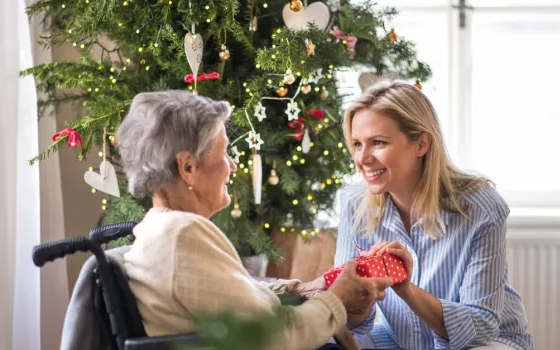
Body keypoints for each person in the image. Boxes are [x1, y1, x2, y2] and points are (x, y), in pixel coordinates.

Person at [115, 90, 393, 350]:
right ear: (187, 167)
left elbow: (234, 295)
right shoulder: (182, 233)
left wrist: (305, 289)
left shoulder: (157, 229)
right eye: (223, 152)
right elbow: (273, 335)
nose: (232, 165)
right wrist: (338, 299)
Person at [334, 81, 534, 350]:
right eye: (357, 144)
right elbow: (354, 322)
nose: (362, 158)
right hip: (400, 341)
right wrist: (358, 295)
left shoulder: (480, 207)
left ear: (421, 144)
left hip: (485, 342)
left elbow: (481, 325)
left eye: (378, 142)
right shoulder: (353, 205)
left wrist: (406, 288)